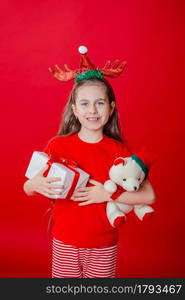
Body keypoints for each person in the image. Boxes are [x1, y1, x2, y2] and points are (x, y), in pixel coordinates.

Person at [23, 46, 156, 278]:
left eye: (100, 103)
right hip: (65, 242)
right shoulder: (57, 146)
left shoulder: (118, 151)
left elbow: (149, 196)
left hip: (104, 246)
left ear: (111, 108)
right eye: (84, 104)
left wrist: (108, 195)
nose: (92, 110)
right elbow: (27, 187)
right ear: (74, 110)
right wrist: (34, 185)